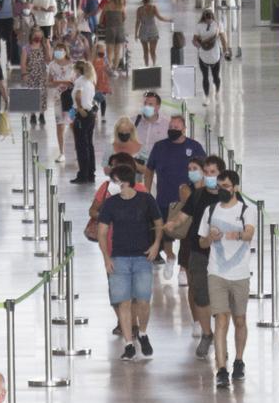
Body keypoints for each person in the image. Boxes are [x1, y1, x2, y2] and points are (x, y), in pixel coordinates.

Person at [97, 161, 163, 362]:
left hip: (142, 257)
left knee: (143, 300)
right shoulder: (111, 203)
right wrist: (106, 258)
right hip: (119, 258)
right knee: (123, 302)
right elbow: (102, 232)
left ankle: (142, 333)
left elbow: (158, 224)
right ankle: (128, 343)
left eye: (117, 179)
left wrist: (155, 245)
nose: (115, 183)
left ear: (124, 181)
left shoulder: (146, 200)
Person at [199, 167, 257, 389]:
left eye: (226, 187)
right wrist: (210, 238)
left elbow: (250, 233)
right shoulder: (210, 210)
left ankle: (239, 360)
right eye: (219, 186)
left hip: (240, 274)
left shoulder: (246, 210)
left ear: (235, 188)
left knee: (239, 319)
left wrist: (238, 234)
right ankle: (221, 368)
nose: (222, 190)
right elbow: (202, 242)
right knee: (221, 319)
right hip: (216, 272)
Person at [169, 156, 220, 357]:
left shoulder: (228, 196)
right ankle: (206, 332)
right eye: (205, 172)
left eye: (212, 173)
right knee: (199, 293)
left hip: (222, 253)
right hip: (197, 250)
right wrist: (172, 225)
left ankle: (219, 336)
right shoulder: (196, 195)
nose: (207, 176)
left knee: (220, 297)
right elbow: (183, 216)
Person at [143, 112, 203, 225]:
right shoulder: (159, 147)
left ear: (184, 129)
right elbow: (149, 170)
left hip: (188, 202)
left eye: (176, 127)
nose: (172, 129)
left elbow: (204, 170)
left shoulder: (195, 147)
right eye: (170, 127)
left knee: (187, 237)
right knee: (165, 235)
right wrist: (147, 192)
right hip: (164, 201)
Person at [68, 59, 99, 184]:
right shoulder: (90, 81)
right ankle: (91, 173)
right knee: (89, 144)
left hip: (83, 115)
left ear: (78, 70)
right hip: (90, 114)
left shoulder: (80, 81)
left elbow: (78, 95)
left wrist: (79, 108)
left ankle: (83, 175)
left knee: (81, 146)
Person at [191, 9, 226, 95]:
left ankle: (217, 90)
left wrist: (225, 49)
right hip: (204, 55)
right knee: (205, 77)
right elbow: (194, 40)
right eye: (207, 19)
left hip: (215, 54)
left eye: (209, 18)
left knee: (215, 76)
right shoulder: (199, 26)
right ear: (204, 18)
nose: (208, 20)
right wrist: (199, 45)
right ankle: (207, 95)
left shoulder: (217, 25)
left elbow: (223, 38)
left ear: (212, 17)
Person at [131, 92, 168, 156]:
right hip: (136, 163)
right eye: (145, 103)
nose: (146, 107)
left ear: (158, 107)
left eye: (150, 104)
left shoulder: (166, 125)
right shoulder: (132, 122)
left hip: (157, 164)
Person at [134, 0, 162, 66]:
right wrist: (168, 20)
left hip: (143, 31)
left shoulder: (139, 10)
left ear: (143, 0)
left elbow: (138, 22)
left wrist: (135, 34)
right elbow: (160, 18)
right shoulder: (153, 8)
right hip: (153, 30)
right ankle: (154, 65)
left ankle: (146, 66)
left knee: (145, 51)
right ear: (150, 0)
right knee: (153, 51)